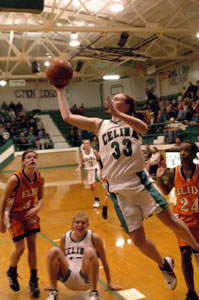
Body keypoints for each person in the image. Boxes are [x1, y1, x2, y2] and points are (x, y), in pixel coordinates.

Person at [53, 85, 199, 291]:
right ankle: (163, 264)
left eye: (119, 98)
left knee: (171, 222)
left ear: (128, 106)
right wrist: (60, 91)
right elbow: (67, 116)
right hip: (116, 189)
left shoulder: (133, 123)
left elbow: (144, 128)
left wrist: (119, 114)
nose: (113, 99)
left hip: (139, 182)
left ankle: (196, 250)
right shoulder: (99, 123)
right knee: (138, 240)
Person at [45, 212, 122, 300]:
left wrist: (109, 282)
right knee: (53, 251)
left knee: (89, 251)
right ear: (73, 224)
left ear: (87, 224)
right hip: (68, 276)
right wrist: (53, 282)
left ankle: (93, 294)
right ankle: (53, 292)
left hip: (85, 277)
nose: (80, 225)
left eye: (83, 223)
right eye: (77, 222)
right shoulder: (65, 237)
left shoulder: (94, 237)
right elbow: (59, 261)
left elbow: (104, 260)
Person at [157, 141, 199, 300]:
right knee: (186, 254)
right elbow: (167, 192)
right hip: (183, 220)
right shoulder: (174, 172)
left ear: (194, 154)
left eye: (186, 151)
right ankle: (191, 292)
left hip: (198, 219)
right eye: (181, 151)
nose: (182, 153)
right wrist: (160, 179)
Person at [0, 150, 44, 298]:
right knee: (20, 249)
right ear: (23, 162)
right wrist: (1, 221)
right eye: (28, 157)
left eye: (34, 157)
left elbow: (41, 197)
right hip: (14, 215)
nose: (32, 159)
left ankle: (33, 280)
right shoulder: (15, 179)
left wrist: (37, 208)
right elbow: (3, 201)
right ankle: (12, 271)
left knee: (32, 246)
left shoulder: (40, 177)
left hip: (30, 213)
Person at [76, 139, 101, 208]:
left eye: (88, 143)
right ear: (83, 145)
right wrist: (78, 167)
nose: (86, 145)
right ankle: (96, 199)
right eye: (85, 143)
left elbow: (100, 158)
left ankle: (97, 201)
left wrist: (102, 167)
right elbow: (81, 162)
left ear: (90, 144)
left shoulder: (94, 151)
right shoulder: (82, 153)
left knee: (94, 185)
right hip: (89, 170)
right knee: (92, 187)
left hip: (96, 169)